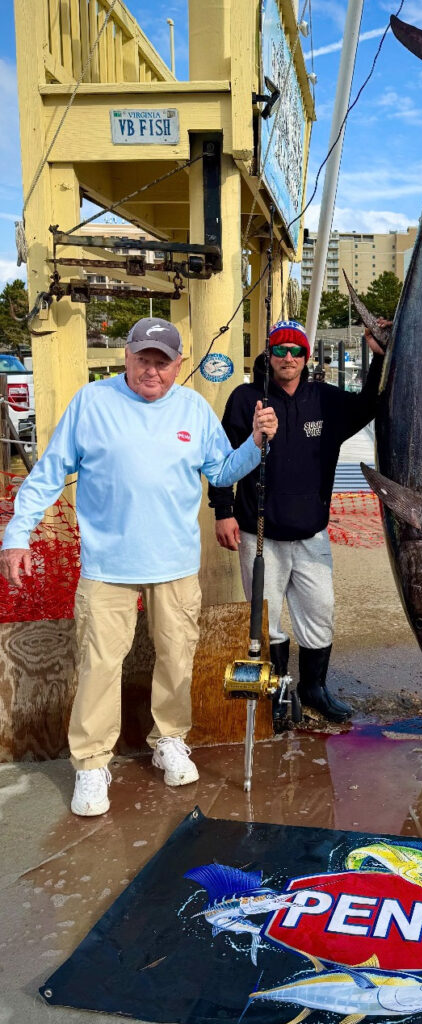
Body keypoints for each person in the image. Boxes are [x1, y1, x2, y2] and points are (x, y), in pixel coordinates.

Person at [0, 317, 278, 817]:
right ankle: (90, 763)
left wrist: (255, 444)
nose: (152, 370)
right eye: (143, 358)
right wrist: (16, 536)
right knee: (99, 665)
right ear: (126, 356)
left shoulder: (194, 408)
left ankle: (169, 738)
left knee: (176, 658)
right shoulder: (92, 402)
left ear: (178, 365)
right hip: (106, 565)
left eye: (163, 361)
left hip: (174, 563)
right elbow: (47, 474)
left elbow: (220, 472)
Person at [209, 319, 384, 722]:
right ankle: (278, 690)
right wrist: (223, 511)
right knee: (266, 619)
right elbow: (221, 460)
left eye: (296, 350)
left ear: (306, 357)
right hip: (259, 534)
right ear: (268, 355)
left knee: (319, 613)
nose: (288, 357)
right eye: (280, 350)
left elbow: (369, 405)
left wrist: (376, 357)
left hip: (311, 535)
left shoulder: (325, 399)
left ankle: (314, 688)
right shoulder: (244, 398)